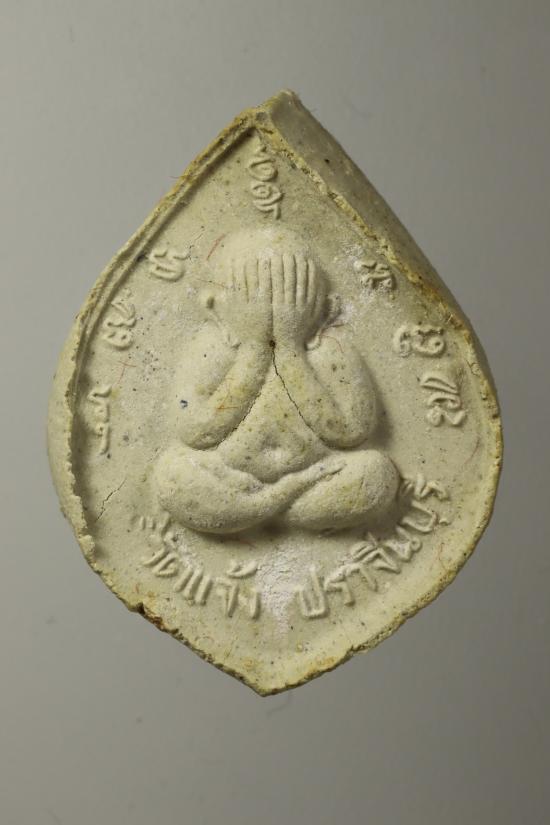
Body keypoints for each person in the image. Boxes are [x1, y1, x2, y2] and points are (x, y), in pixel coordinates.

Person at [154, 227, 399, 534]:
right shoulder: (211, 350)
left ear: (325, 308)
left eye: (289, 294)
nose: (270, 308)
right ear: (216, 308)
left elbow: (351, 432)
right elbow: (195, 432)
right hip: (229, 476)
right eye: (250, 293)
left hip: (316, 473)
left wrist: (289, 349)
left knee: (376, 473)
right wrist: (254, 348)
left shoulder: (331, 351)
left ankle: (256, 511)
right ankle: (268, 505)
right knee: (172, 474)